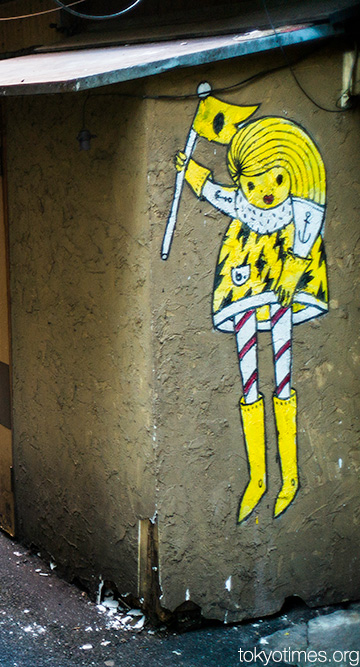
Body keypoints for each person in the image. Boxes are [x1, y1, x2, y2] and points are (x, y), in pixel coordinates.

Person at [175, 116, 328, 522]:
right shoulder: (243, 204)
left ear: (291, 174)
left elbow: (312, 215)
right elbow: (218, 196)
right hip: (243, 284)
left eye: (275, 180)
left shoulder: (298, 210)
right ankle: (259, 476)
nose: (264, 193)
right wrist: (193, 174)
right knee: (249, 380)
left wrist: (296, 264)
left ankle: (289, 476)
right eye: (254, 182)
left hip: (279, 280)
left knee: (282, 373)